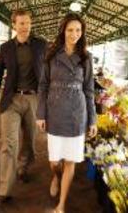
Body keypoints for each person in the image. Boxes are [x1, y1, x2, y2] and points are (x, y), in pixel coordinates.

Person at [36, 13, 97, 213]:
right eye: (70, 30)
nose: (74, 34)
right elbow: (43, 86)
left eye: (78, 30)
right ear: (63, 30)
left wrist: (92, 120)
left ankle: (61, 206)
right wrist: (41, 114)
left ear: (82, 32)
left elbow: (89, 90)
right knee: (54, 160)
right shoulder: (51, 55)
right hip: (55, 112)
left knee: (70, 161)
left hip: (76, 115)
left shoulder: (86, 58)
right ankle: (56, 175)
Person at [0, 9, 47, 205]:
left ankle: (23, 166)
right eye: (21, 23)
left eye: (28, 23)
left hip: (33, 99)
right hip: (12, 100)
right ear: (14, 25)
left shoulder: (41, 45)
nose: (25, 26)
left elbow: (49, 70)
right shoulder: (6, 48)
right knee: (9, 144)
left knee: (30, 141)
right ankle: (4, 190)